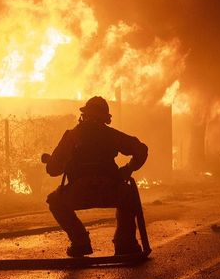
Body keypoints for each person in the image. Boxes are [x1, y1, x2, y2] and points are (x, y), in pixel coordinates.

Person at [44, 96, 148, 257]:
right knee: (129, 196)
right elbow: (141, 150)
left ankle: (80, 242)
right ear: (105, 118)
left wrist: (56, 161)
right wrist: (127, 170)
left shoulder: (72, 136)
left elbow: (53, 170)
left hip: (79, 192)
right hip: (110, 190)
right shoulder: (111, 135)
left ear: (84, 115)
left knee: (55, 201)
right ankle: (125, 243)